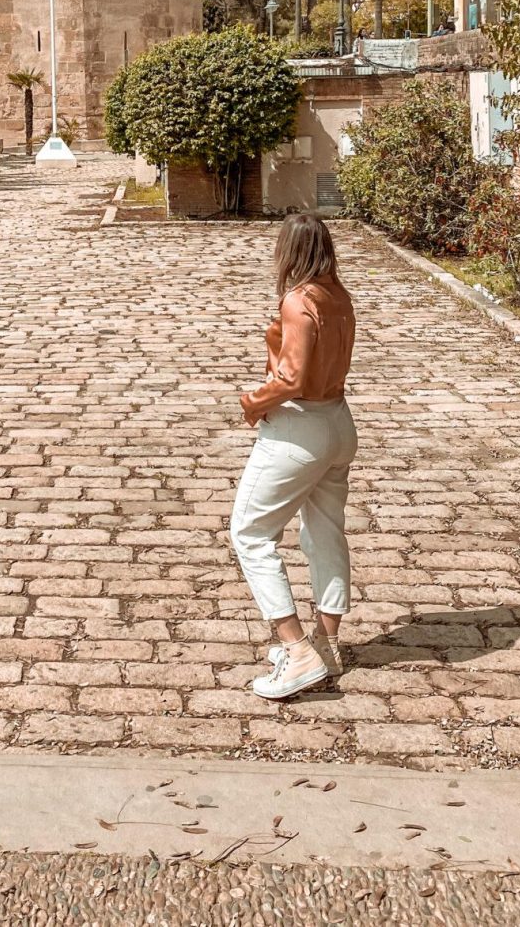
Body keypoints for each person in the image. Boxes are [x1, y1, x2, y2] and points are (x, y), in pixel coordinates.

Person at [229, 213, 357, 701]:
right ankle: (327, 643)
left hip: (299, 430)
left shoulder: (300, 300)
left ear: (290, 250)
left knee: (250, 533)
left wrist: (251, 402)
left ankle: (297, 650)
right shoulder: (338, 296)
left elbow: (292, 378)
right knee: (325, 533)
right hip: (338, 422)